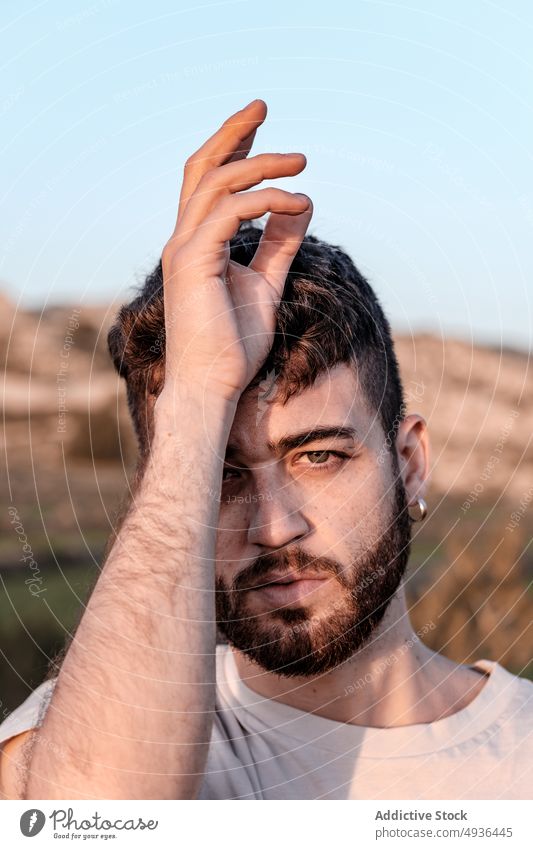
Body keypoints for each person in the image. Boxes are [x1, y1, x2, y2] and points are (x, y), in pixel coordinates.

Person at [0, 99, 531, 801]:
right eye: (220, 475)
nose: (274, 527)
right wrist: (195, 400)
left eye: (319, 456)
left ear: (407, 464)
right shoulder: (80, 729)